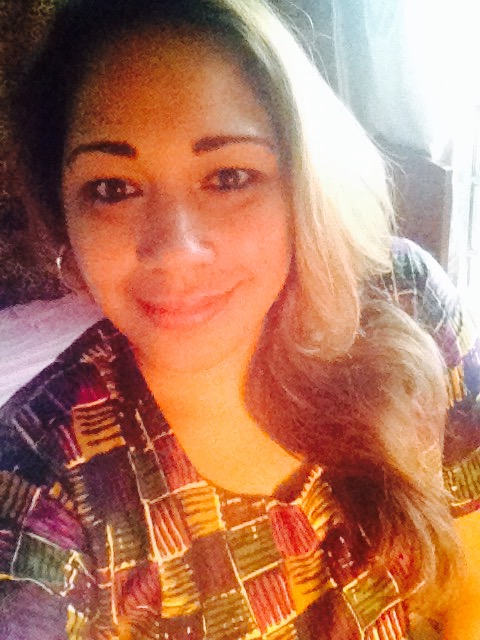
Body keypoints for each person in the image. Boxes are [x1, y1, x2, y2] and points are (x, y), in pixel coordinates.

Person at [1, 0, 479, 638]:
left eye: (228, 176)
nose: (174, 250)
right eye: (112, 188)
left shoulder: (403, 297)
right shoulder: (39, 480)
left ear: (305, 181)